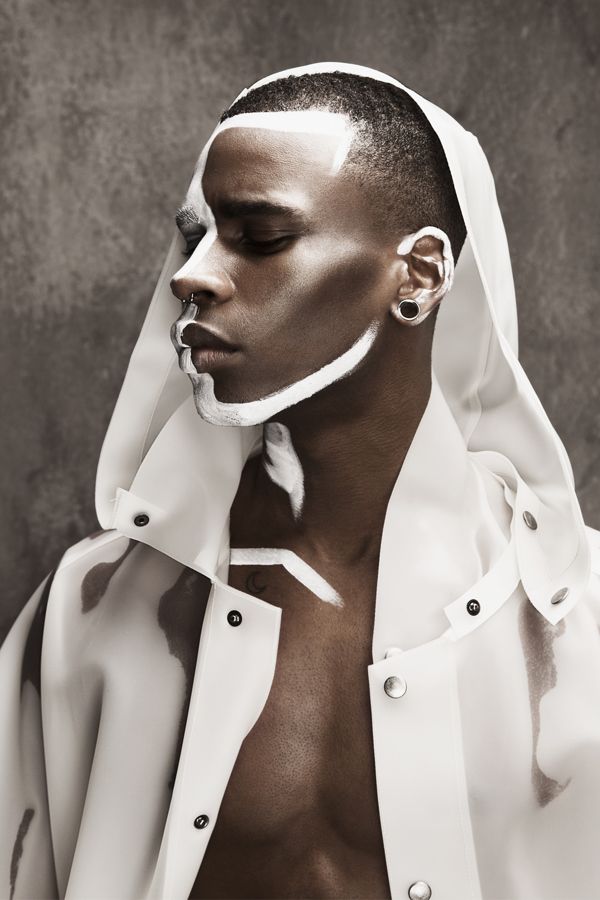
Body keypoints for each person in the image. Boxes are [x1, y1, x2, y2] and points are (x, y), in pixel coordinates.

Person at [1, 61, 599, 900]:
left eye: (261, 236)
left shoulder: (581, 627)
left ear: (420, 275)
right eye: (195, 235)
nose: (193, 275)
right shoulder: (88, 612)